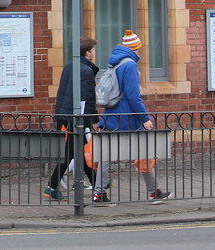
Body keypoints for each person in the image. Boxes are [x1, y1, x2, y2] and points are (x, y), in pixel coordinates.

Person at [93, 29, 170, 204]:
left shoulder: (115, 62)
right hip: (127, 118)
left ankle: (99, 193)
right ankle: (153, 192)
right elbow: (133, 95)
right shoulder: (129, 65)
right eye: (139, 48)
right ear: (134, 48)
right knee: (144, 152)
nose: (140, 52)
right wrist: (145, 118)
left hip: (111, 116)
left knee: (106, 155)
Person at [43, 37, 100, 201]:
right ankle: (52, 186)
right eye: (93, 50)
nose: (94, 52)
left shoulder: (69, 67)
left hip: (65, 115)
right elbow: (87, 99)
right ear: (88, 52)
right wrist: (93, 121)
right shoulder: (86, 70)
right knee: (69, 154)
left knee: (78, 153)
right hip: (76, 119)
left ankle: (98, 186)